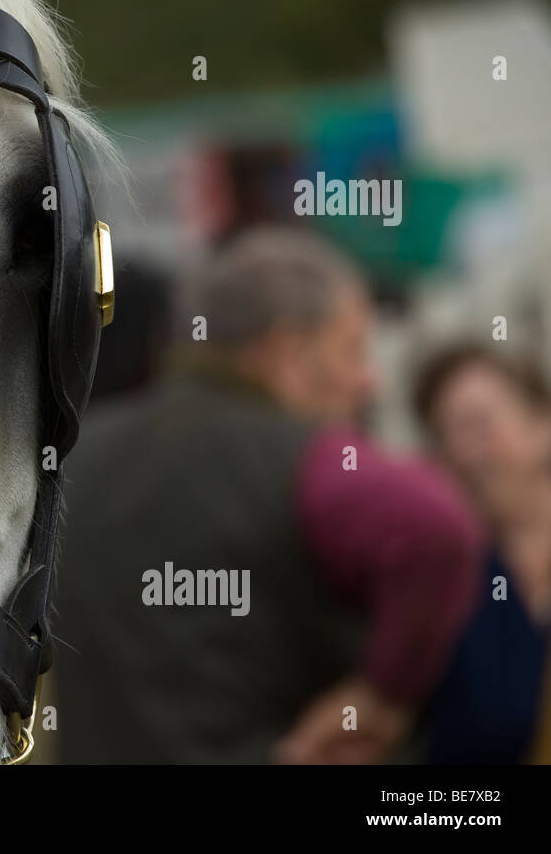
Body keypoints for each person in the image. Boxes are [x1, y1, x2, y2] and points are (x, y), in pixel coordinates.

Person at [56, 227, 484, 764]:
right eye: (352, 349)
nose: (368, 382)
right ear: (287, 354)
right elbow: (438, 531)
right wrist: (381, 701)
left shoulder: (79, 454)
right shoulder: (306, 459)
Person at [414, 345, 551, 763]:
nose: (466, 453)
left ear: (542, 423)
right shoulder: (443, 584)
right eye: (446, 435)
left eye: (479, 425)